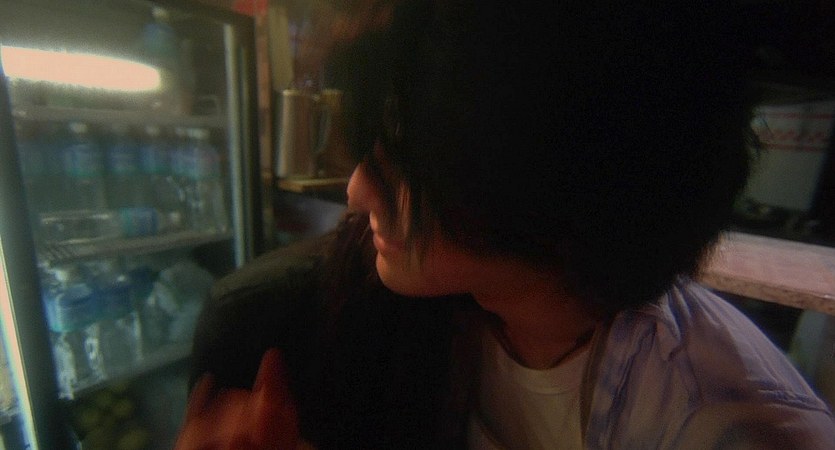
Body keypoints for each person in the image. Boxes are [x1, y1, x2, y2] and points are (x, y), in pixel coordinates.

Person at [175, 1, 835, 448]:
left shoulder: (724, 425)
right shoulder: (401, 317)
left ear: (551, 181)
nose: (356, 190)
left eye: (412, 159)